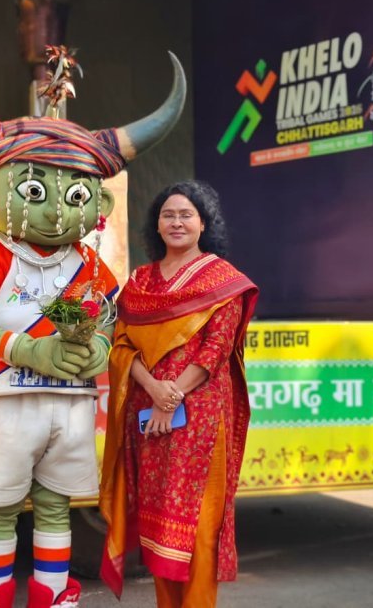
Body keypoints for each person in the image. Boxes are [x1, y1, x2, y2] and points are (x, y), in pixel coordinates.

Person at [0, 26, 186, 608]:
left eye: (77, 196)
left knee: (57, 503)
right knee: (1, 504)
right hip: (11, 395)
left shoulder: (88, 264)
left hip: (70, 403)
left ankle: (53, 589)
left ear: (100, 204)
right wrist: (28, 348)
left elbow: (104, 320)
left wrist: (96, 347)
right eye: (35, 191)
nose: (59, 211)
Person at [99, 180, 258, 607]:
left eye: (186, 214)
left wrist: (170, 398)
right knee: (159, 529)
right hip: (149, 423)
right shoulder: (141, 280)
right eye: (168, 215)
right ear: (157, 225)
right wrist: (154, 391)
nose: (176, 222)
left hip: (200, 424)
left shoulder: (223, 280)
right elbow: (121, 345)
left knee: (199, 530)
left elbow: (215, 350)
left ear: (203, 223)